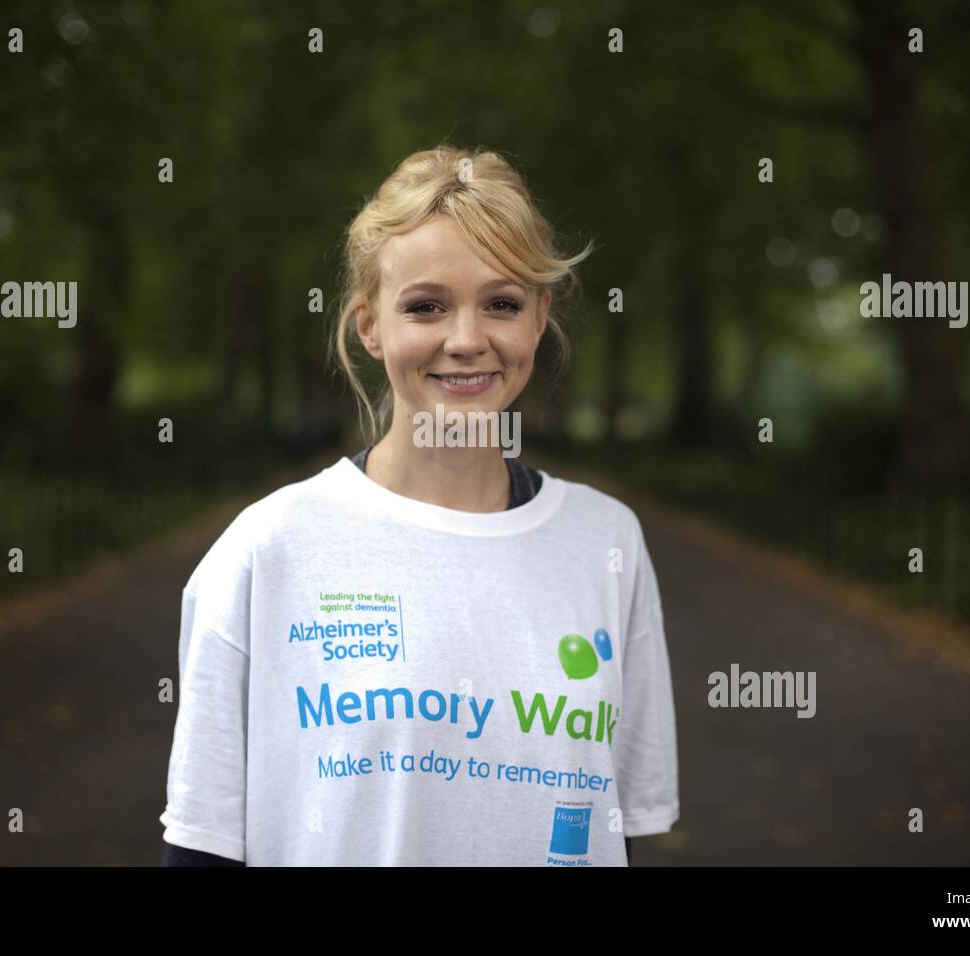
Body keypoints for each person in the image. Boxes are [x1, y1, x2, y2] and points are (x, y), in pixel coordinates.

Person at [159, 144, 679, 866]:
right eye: (427, 306)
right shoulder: (266, 550)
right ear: (369, 325)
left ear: (538, 319)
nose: (466, 341)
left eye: (501, 304)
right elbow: (202, 848)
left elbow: (624, 829)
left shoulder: (607, 542)